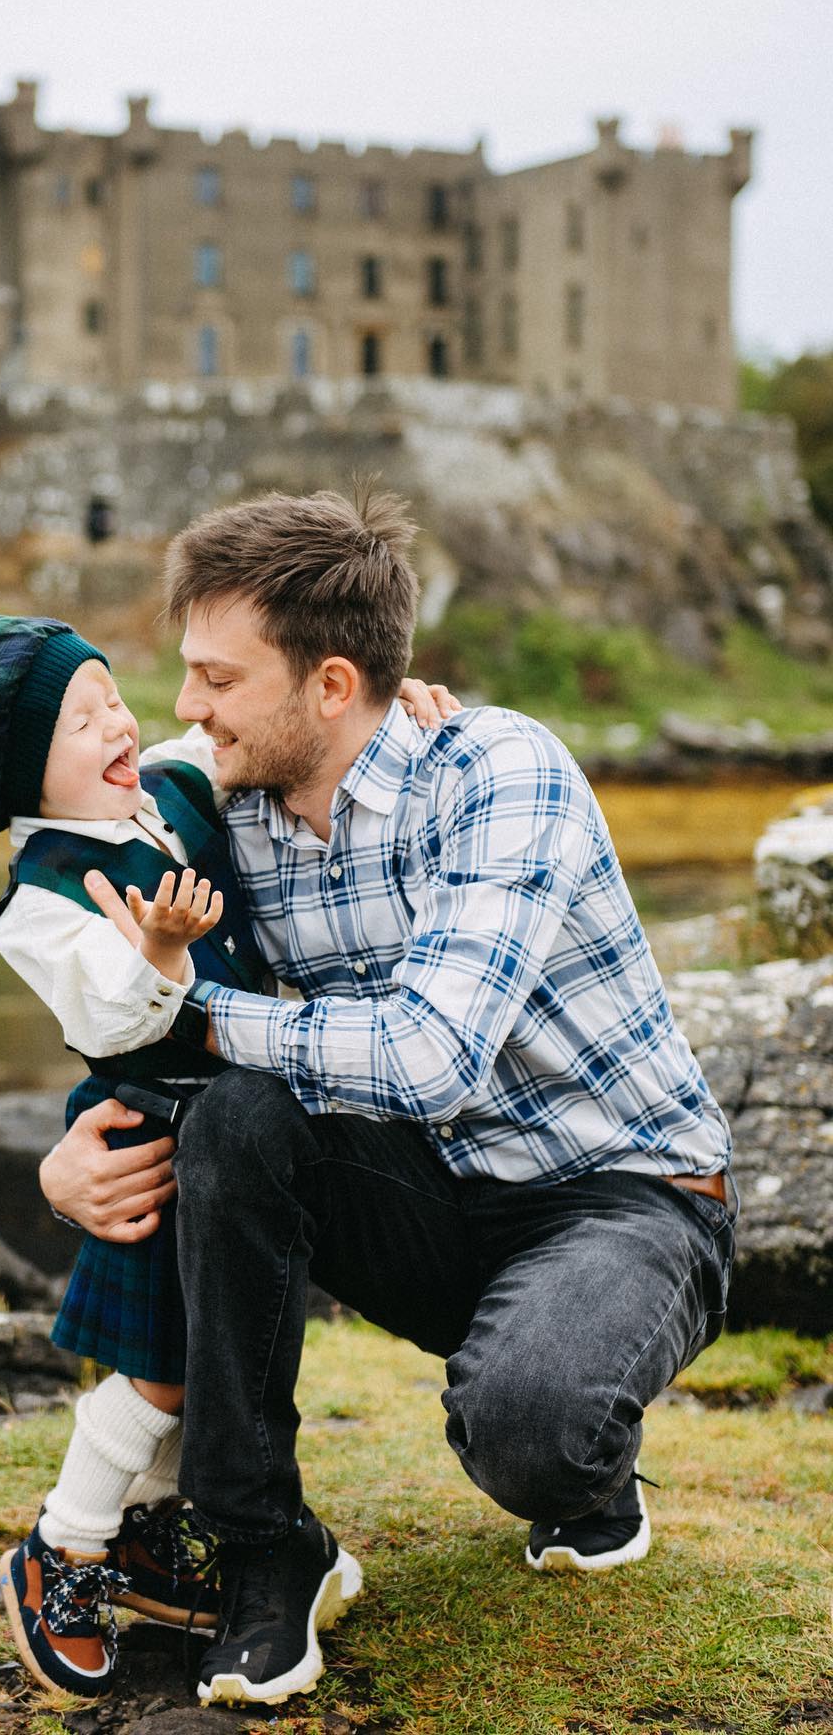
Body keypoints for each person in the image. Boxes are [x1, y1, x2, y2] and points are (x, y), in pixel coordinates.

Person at [40, 486, 737, 1709]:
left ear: (330, 685)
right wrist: (59, 1168)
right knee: (238, 1119)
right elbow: (79, 916)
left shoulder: (501, 770)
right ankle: (264, 1551)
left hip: (623, 1196)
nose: (187, 708)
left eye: (217, 677)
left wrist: (199, 1015)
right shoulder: (221, 805)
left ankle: (585, 1459)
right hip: (433, 1199)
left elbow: (430, 1061)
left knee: (530, 1430)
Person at [0, 612, 451, 1699]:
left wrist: (398, 703)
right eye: (81, 720)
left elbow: (253, 736)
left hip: (244, 1130)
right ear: (19, 774)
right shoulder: (41, 898)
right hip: (155, 1131)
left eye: (112, 697)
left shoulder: (167, 787)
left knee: (217, 1363)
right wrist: (154, 953)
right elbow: (104, 1016)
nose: (119, 722)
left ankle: (152, 1538)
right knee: (164, 1372)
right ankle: (66, 1547)